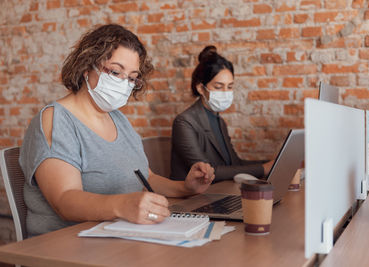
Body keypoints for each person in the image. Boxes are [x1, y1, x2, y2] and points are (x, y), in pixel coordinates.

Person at [19, 24, 215, 237]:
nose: (124, 83)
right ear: (87, 66)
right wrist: (122, 205)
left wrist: (185, 188)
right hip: (65, 245)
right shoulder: (55, 119)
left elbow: (144, 178)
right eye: (115, 71)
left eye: (131, 77)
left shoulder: (118, 119)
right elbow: (64, 200)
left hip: (117, 237)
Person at [170, 45, 273, 182]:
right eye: (218, 87)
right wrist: (263, 168)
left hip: (219, 192)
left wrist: (271, 163)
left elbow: (234, 164)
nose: (225, 92)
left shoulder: (219, 121)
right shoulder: (184, 122)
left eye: (229, 87)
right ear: (201, 88)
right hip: (192, 198)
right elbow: (207, 172)